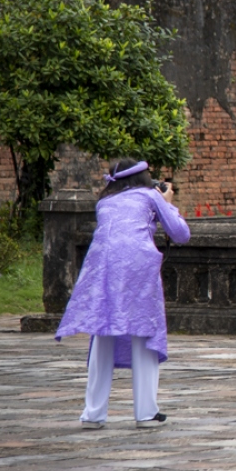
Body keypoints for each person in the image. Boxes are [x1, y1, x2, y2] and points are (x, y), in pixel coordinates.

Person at [55, 158, 191, 429]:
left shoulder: (103, 203)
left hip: (101, 266)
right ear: (143, 178)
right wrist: (168, 202)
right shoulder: (150, 195)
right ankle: (146, 412)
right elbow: (181, 234)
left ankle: (92, 414)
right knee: (143, 330)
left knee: (103, 330)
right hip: (137, 265)